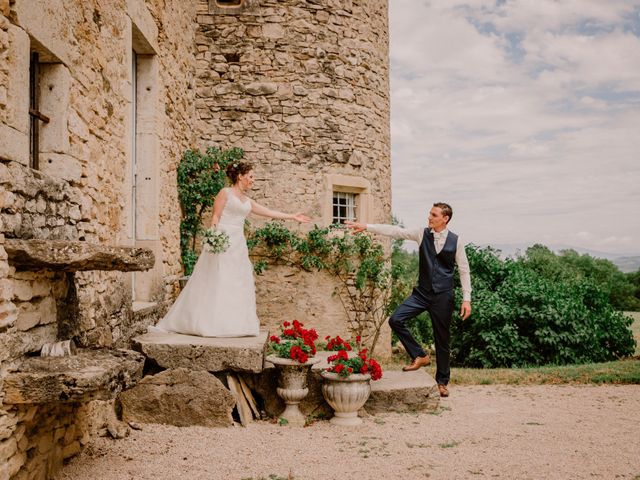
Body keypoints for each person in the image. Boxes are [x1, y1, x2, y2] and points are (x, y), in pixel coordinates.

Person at [151, 161, 310, 337]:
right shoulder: (225, 193)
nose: (253, 180)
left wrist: (292, 216)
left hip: (238, 245)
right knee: (218, 279)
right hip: (223, 241)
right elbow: (216, 216)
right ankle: (207, 322)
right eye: (251, 176)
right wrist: (214, 237)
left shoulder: (248, 201)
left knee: (237, 282)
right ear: (240, 176)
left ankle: (233, 325)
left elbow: (268, 212)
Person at [345, 202, 471, 397]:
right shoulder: (422, 234)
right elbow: (396, 231)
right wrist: (367, 227)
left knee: (442, 340)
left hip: (443, 296)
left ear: (445, 219)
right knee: (396, 319)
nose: (429, 217)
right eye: (429, 213)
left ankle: (442, 382)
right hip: (422, 293)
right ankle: (420, 355)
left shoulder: (457, 241)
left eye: (434, 215)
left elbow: (464, 270)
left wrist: (466, 299)